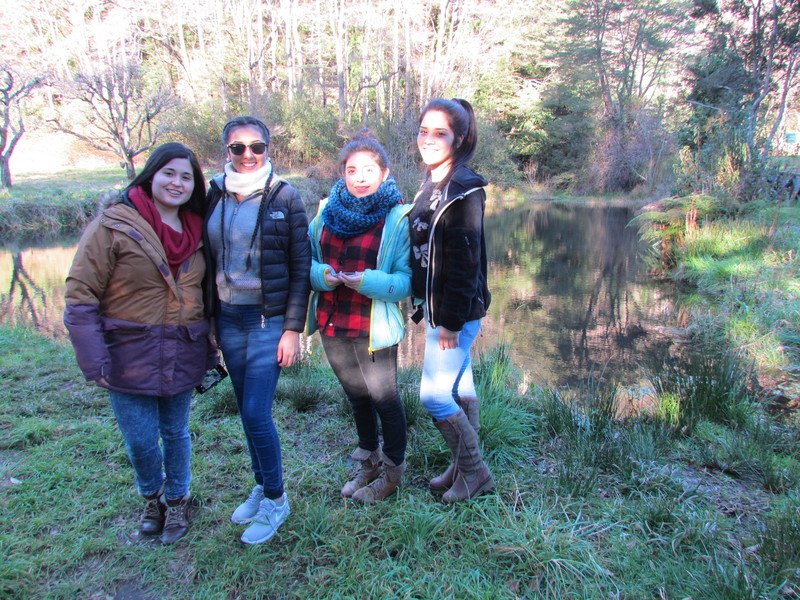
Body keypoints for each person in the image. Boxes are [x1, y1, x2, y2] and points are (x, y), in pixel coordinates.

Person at [64, 142, 215, 545]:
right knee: (140, 439)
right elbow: (80, 296)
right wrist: (93, 357)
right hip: (128, 353)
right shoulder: (112, 225)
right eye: (169, 173)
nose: (177, 183)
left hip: (183, 348)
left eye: (186, 177)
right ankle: (152, 498)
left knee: (176, 431)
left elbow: (206, 293)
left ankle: (178, 500)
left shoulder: (200, 228)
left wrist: (210, 344)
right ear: (151, 175)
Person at [204, 116, 311, 545]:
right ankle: (262, 484)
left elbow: (301, 268)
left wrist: (292, 329)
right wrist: (210, 319)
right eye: (238, 148)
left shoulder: (285, 196)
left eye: (257, 147)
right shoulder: (213, 193)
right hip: (227, 317)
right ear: (226, 151)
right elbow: (204, 260)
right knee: (244, 408)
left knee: (255, 412)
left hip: (268, 320)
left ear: (268, 149)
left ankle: (276, 500)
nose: (247, 155)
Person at [307, 131, 412, 504]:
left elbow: (405, 282)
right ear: (342, 173)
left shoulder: (397, 218)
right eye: (352, 170)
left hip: (373, 327)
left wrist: (367, 281)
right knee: (356, 396)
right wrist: (323, 276)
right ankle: (368, 463)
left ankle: (392, 473)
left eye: (369, 169)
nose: (360, 177)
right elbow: (307, 265)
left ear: (385, 173)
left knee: (385, 398)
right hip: (332, 322)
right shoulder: (325, 213)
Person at [409, 98, 495, 503]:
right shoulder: (433, 182)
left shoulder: (464, 190)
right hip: (436, 308)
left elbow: (465, 265)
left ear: (458, 139)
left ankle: (475, 472)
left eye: (439, 133)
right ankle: (463, 468)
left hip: (453, 313)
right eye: (423, 130)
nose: (428, 139)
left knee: (434, 395)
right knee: (460, 386)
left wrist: (451, 323)